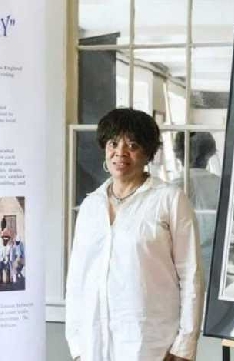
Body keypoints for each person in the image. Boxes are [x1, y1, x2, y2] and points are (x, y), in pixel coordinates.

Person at [66, 108, 204, 361]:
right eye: (113, 143)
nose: (120, 153)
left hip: (151, 343)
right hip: (95, 342)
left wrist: (185, 344)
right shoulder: (90, 206)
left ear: (147, 153)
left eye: (132, 145)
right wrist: (76, 343)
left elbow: (191, 274)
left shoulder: (169, 199)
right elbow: (77, 279)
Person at [172, 131, 220, 284]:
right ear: (208, 155)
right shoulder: (220, 183)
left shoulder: (172, 186)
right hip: (213, 259)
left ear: (179, 155)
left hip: (181, 260)